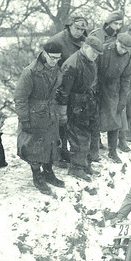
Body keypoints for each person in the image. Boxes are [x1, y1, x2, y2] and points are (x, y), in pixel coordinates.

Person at [14, 40, 66, 194]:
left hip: (50, 112)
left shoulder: (56, 69)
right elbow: (20, 97)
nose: (55, 61)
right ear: (44, 54)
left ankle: (49, 173)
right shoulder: (30, 72)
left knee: (50, 144)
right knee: (34, 147)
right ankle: (37, 177)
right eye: (52, 58)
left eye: (58, 58)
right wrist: (24, 120)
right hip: (33, 114)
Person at [56, 35, 104, 182]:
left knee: (93, 131)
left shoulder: (90, 61)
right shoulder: (72, 65)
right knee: (79, 135)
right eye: (93, 51)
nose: (95, 55)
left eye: (97, 53)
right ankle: (76, 167)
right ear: (84, 47)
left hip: (88, 99)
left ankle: (86, 163)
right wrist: (63, 112)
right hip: (75, 103)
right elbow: (63, 91)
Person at [48, 15, 89, 166]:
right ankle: (57, 156)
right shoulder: (57, 41)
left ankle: (65, 151)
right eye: (77, 28)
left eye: (82, 29)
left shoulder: (84, 41)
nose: (79, 32)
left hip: (75, 90)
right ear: (69, 25)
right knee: (59, 123)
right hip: (59, 88)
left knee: (69, 123)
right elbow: (50, 65)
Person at [98, 32, 131, 163]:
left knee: (115, 118)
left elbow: (126, 78)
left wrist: (123, 98)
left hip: (113, 88)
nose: (123, 51)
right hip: (98, 86)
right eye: (122, 47)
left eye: (126, 49)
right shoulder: (104, 50)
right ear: (117, 42)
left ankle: (112, 151)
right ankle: (94, 148)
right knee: (95, 117)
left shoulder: (128, 56)